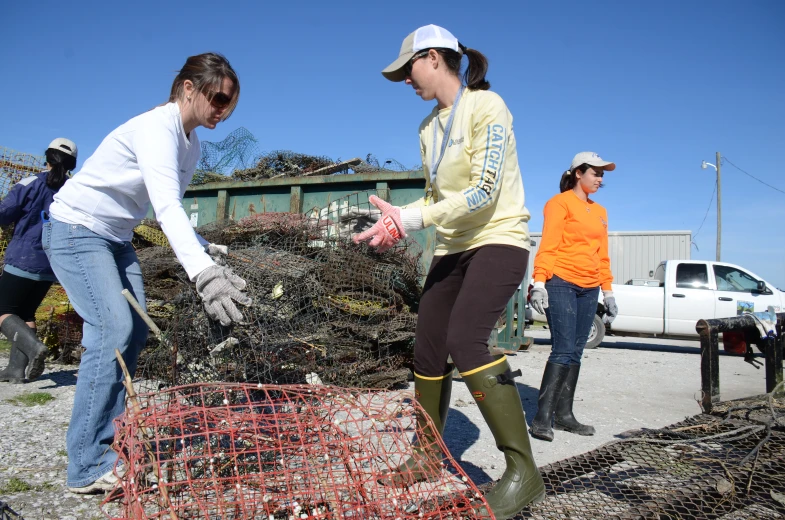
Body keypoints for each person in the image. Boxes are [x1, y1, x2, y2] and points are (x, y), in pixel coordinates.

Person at [355, 24, 544, 519]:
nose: (405, 81)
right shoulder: (426, 128)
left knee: (466, 339)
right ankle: (426, 455)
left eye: (408, 69)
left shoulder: (488, 107)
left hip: (499, 238)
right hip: (453, 247)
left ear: (434, 58)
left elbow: (483, 191)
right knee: (428, 345)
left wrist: (412, 218)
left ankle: (524, 473)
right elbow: (439, 201)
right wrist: (398, 224)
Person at [42, 52, 252, 494]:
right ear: (188, 89)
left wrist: (204, 249)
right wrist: (205, 275)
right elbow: (167, 206)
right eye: (217, 99)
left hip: (115, 239)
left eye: (230, 105)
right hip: (76, 230)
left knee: (133, 330)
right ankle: (85, 465)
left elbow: (170, 207)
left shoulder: (190, 143)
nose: (223, 111)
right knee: (111, 329)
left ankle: (111, 446)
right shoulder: (158, 129)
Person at [529, 152, 619, 442]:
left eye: (602, 174)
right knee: (563, 348)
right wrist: (539, 282)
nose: (600, 178)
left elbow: (602, 256)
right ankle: (542, 418)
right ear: (578, 173)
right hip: (562, 282)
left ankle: (565, 416)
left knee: (577, 351)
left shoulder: (601, 212)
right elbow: (549, 245)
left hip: (590, 287)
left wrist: (609, 290)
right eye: (596, 172)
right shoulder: (559, 203)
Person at [0, 138, 78, 383]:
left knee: (3, 311)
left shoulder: (30, 183)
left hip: (22, 259)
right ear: (72, 164)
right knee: (26, 313)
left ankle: (34, 347)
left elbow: (4, 214)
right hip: (50, 264)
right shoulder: (74, 190)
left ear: (47, 156)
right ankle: (15, 370)